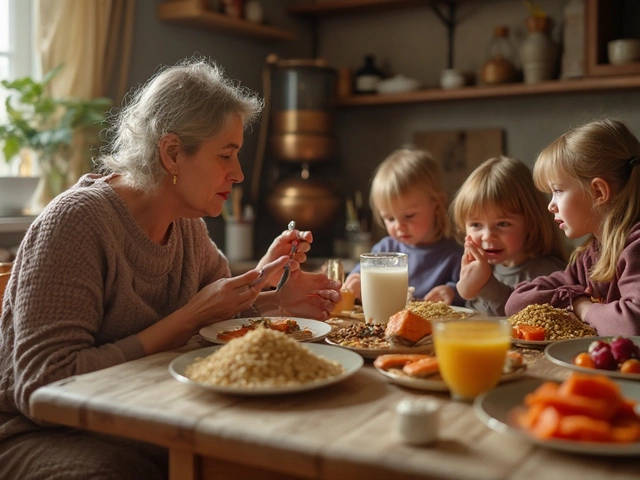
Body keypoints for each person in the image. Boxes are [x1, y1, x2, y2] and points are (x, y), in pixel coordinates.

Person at [0, 57, 340, 480]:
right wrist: (187, 319)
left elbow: (219, 315)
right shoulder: (76, 223)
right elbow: (41, 386)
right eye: (225, 155)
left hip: (149, 420)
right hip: (47, 438)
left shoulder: (187, 226)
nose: (237, 174)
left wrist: (273, 297)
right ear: (172, 153)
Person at [505, 118, 640, 335]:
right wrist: (574, 296)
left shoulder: (635, 248)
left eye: (557, 191)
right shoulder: (589, 256)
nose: (550, 205)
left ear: (599, 192)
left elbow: (631, 325)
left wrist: (582, 307)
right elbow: (518, 301)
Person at [343, 148, 464, 306]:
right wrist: (356, 279)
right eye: (389, 218)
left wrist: (453, 292)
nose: (399, 226)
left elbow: (473, 296)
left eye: (409, 216)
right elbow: (360, 273)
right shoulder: (385, 250)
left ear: (436, 206)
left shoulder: (456, 254)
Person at [451, 156, 566, 316]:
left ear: (531, 222)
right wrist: (452, 292)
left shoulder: (549, 274)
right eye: (476, 225)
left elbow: (522, 320)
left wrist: (486, 284)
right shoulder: (485, 266)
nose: (487, 236)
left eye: (502, 224)